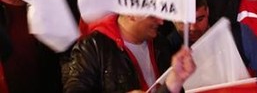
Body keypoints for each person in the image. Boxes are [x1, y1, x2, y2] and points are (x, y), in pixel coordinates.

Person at [63, 13, 196, 92]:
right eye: (152, 15)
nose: (161, 21)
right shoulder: (92, 47)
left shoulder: (159, 42)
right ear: (131, 13)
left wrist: (175, 82)